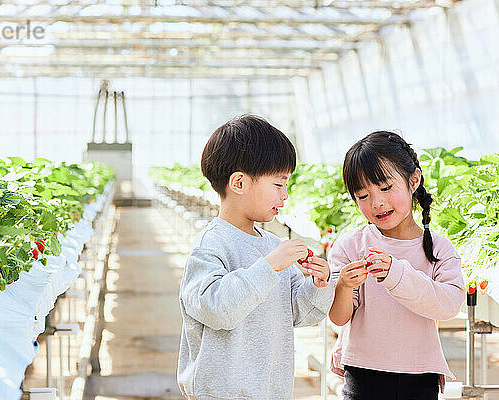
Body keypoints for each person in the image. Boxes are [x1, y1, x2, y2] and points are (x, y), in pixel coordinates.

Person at [177, 115, 334, 400]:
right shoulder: (210, 246)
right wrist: (271, 265)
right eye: (278, 184)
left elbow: (298, 313)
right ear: (239, 182)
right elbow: (217, 309)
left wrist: (318, 285)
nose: (285, 196)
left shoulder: (273, 244)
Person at [328, 131, 466, 399]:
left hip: (421, 376)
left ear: (413, 179)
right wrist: (344, 285)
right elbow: (339, 317)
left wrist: (396, 273)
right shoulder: (350, 246)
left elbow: (449, 305)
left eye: (385, 187)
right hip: (363, 373)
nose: (377, 202)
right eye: (362, 195)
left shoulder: (438, 248)